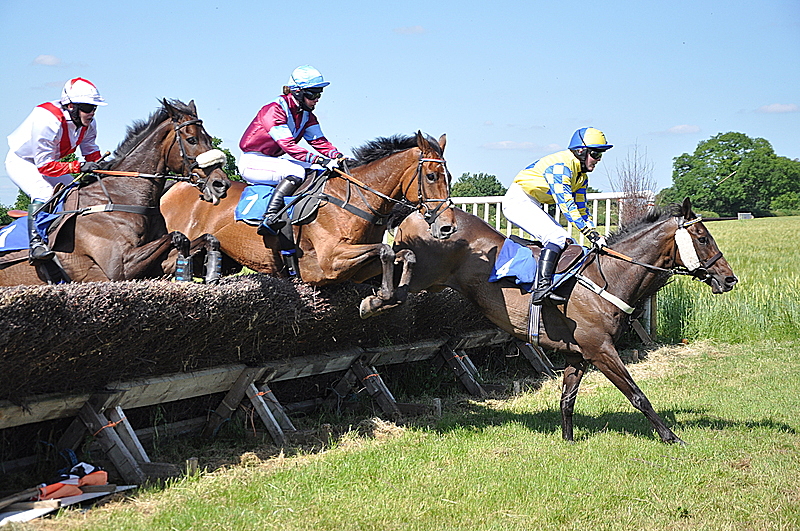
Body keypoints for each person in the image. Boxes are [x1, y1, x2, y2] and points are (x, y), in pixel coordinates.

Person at [502, 127, 613, 304]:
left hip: (532, 201)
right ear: (581, 151)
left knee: (566, 240)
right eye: (595, 153)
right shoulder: (561, 167)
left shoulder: (581, 177)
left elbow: (582, 210)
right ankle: (542, 288)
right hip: (518, 200)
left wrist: (596, 234)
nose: (598, 159)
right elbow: (567, 206)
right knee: (556, 237)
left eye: (601, 154)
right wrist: (590, 235)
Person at [5, 77, 107, 261]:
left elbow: (91, 152)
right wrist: (79, 166)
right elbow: (45, 166)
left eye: (94, 107)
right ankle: (36, 244)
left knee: (75, 193)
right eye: (87, 107)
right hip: (22, 161)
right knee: (44, 193)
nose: (92, 113)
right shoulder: (48, 120)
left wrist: (105, 169)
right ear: (71, 106)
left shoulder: (89, 124)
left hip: (48, 163)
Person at [238, 65, 344, 235]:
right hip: (253, 161)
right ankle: (270, 216)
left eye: (319, 94)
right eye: (313, 94)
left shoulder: (307, 115)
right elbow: (289, 146)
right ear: (297, 92)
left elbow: (319, 141)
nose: (317, 99)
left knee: (319, 170)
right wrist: (319, 159)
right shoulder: (274, 110)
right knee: (297, 171)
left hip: (273, 161)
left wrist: (338, 156)